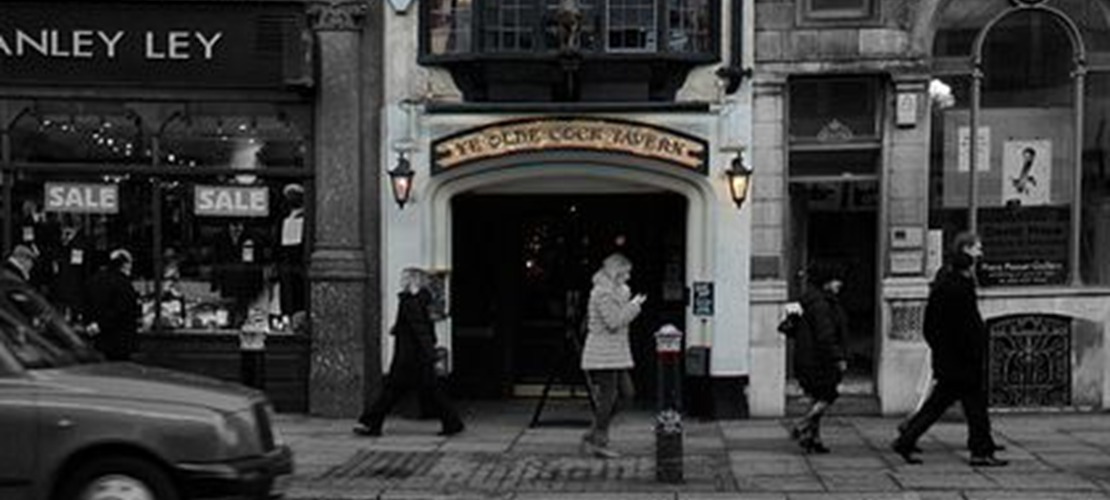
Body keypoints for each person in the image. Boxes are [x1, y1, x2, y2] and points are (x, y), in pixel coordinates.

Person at [892, 231, 1008, 467]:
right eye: (977, 249)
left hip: (951, 359)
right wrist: (972, 349)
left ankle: (909, 439)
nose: (980, 254)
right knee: (969, 407)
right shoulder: (960, 287)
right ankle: (980, 450)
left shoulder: (944, 283)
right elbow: (966, 326)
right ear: (965, 261)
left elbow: (932, 326)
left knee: (947, 405)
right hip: (963, 360)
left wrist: (942, 350)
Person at [354, 267, 464, 437]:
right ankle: (452, 422)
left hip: (410, 356)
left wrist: (429, 352)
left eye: (405, 277)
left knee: (393, 391)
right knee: (430, 391)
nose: (402, 280)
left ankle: (370, 423)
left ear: (413, 280)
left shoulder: (409, 301)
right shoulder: (421, 299)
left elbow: (419, 328)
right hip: (416, 356)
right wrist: (398, 328)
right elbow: (422, 325)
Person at [580, 253, 646, 459]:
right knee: (608, 398)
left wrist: (630, 302)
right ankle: (599, 441)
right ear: (615, 272)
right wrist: (635, 306)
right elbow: (614, 322)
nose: (628, 277)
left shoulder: (621, 291)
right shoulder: (601, 293)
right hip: (601, 353)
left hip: (616, 352)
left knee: (627, 393)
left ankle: (592, 434)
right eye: (625, 273)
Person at [788, 261, 849, 454]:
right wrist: (838, 357)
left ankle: (812, 439)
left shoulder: (811, 300)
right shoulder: (822, 305)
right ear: (826, 282)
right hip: (819, 360)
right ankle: (802, 424)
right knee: (828, 395)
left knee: (817, 397)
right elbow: (826, 336)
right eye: (836, 280)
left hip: (807, 358)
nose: (840, 283)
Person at [84, 249, 141, 361]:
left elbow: (86, 303)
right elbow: (122, 310)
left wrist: (92, 324)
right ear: (125, 264)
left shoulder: (94, 280)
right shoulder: (124, 283)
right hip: (120, 339)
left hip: (98, 338)